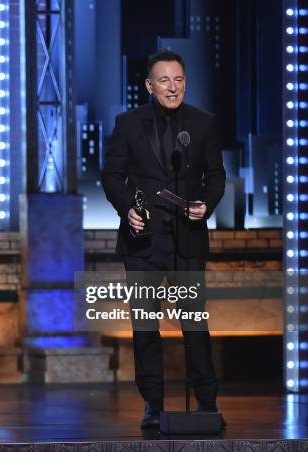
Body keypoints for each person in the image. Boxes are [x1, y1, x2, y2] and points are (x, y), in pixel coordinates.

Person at [102, 50, 226, 429]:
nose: (173, 88)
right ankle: (152, 403)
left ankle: (206, 402)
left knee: (194, 323)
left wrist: (206, 203)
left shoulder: (203, 124)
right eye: (165, 81)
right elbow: (112, 176)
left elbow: (217, 174)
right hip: (144, 242)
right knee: (145, 326)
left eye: (179, 80)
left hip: (187, 239)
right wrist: (128, 209)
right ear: (149, 85)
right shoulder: (128, 124)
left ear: (185, 82)